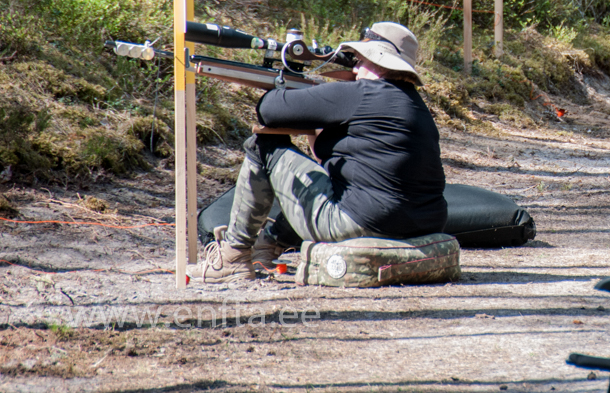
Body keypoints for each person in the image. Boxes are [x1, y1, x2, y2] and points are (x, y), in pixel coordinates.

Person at [187, 22, 448, 282]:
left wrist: (294, 90)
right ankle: (266, 246)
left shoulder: (362, 93)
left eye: (361, 60)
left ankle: (233, 256)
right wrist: (314, 108)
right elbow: (325, 160)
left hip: (363, 223)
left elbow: (269, 110)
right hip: (422, 223)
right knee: (322, 180)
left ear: (380, 62)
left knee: (264, 147)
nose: (355, 68)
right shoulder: (416, 106)